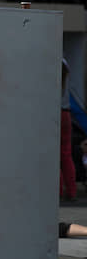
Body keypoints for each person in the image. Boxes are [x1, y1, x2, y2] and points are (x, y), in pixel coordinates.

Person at [61, 58, 77, 201]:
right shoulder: (65, 62)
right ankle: (71, 191)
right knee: (65, 154)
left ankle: (58, 190)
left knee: (53, 154)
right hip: (66, 112)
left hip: (55, 112)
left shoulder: (54, 62)